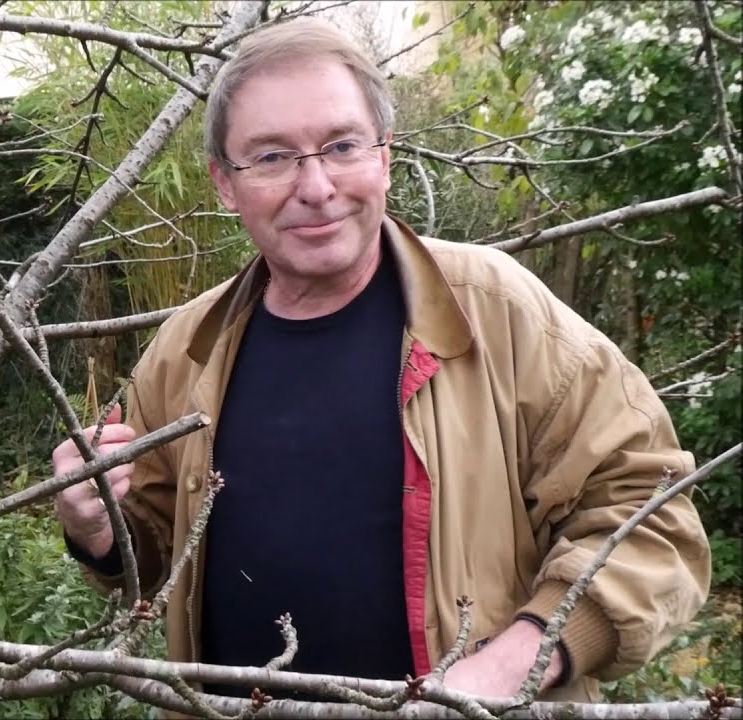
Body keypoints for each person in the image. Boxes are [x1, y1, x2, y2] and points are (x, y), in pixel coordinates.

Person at [50, 16, 711, 704]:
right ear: (224, 183)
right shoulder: (190, 346)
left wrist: (520, 659)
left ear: (385, 157)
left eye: (340, 146)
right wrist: (96, 528)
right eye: (272, 157)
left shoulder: (498, 313)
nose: (315, 186)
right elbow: (150, 559)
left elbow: (650, 515)